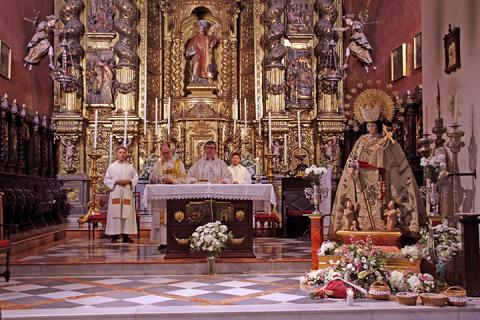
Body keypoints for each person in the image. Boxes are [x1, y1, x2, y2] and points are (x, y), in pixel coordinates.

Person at [330, 93, 425, 239]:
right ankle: (360, 230)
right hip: (363, 181)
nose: (370, 128)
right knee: (361, 207)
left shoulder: (387, 141)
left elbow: (395, 163)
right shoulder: (361, 141)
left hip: (383, 179)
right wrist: (353, 168)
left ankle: (387, 229)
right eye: (368, 125)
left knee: (385, 207)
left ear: (378, 125)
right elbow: (352, 160)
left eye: (373, 125)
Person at [104, 146, 138, 243]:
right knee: (116, 213)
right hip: (116, 191)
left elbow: (136, 178)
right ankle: (114, 235)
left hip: (126, 191)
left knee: (127, 213)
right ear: (116, 154)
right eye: (120, 152)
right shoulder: (111, 167)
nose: (122, 154)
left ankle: (126, 235)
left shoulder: (130, 166)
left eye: (124, 152)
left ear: (126, 154)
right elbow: (106, 180)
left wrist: (129, 181)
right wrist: (116, 181)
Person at [185, 20, 219, 84]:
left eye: (203, 27)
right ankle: (196, 80)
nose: (202, 28)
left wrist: (215, 29)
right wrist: (193, 51)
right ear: (198, 28)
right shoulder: (194, 38)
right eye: (201, 26)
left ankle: (204, 80)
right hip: (197, 58)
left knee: (207, 69)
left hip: (206, 60)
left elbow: (214, 40)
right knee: (196, 68)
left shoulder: (207, 38)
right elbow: (188, 52)